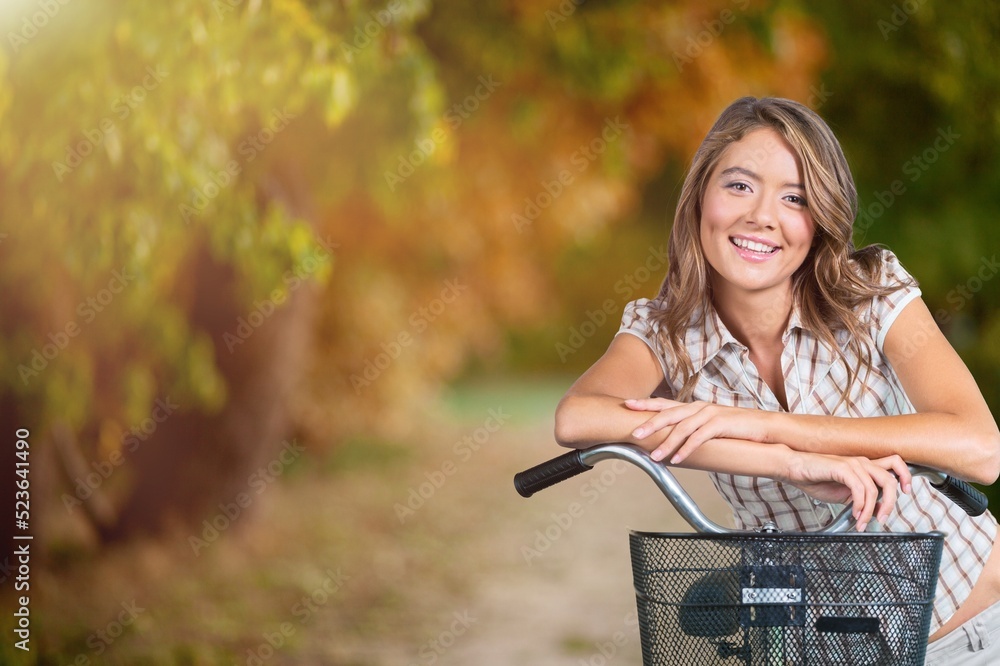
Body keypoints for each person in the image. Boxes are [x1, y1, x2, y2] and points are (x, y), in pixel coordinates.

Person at [553, 96, 1000, 661]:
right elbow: (579, 418)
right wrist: (787, 460)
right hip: (825, 649)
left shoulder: (867, 290)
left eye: (795, 198)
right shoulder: (664, 330)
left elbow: (981, 447)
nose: (762, 215)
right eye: (739, 186)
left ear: (818, 224)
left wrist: (764, 426)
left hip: (976, 629)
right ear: (699, 198)